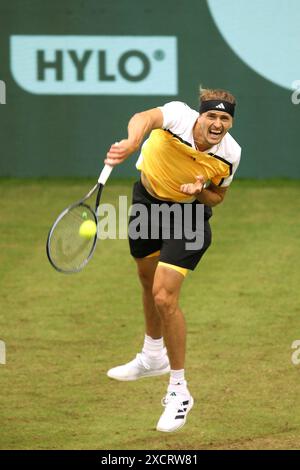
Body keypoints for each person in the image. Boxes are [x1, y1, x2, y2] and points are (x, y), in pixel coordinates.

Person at [104, 87, 241, 433]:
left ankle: (179, 391)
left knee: (164, 295)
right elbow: (144, 118)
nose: (217, 123)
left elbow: (218, 196)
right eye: (212, 115)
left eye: (224, 118)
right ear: (200, 115)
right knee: (147, 282)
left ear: (230, 123)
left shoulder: (230, 153)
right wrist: (133, 141)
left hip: (188, 218)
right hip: (146, 202)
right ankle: (152, 356)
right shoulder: (178, 116)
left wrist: (202, 192)